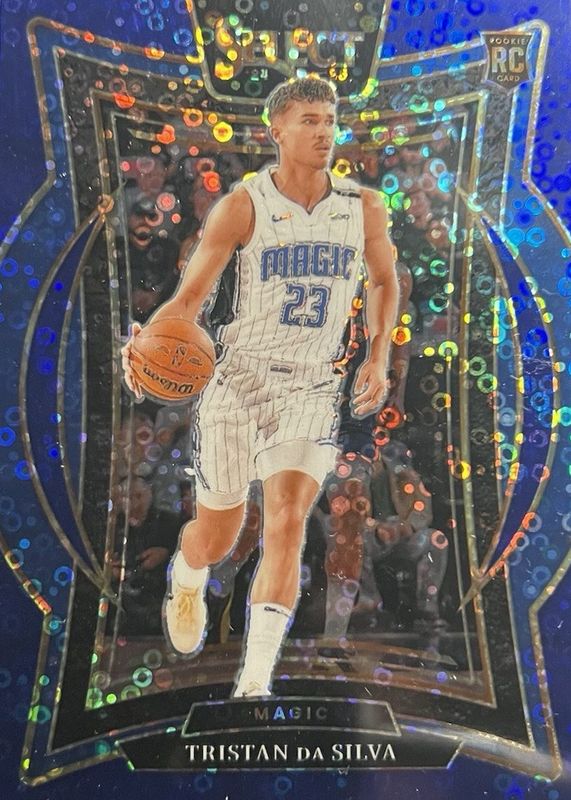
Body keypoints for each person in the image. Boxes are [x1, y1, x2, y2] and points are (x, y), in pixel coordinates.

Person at [121, 76, 399, 697]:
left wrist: (378, 356)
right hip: (239, 379)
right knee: (217, 536)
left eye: (330, 120)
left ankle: (254, 682)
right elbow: (190, 299)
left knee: (288, 521)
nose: (324, 132)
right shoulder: (244, 206)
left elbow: (384, 280)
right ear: (277, 130)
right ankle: (188, 574)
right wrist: (148, 342)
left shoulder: (363, 207)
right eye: (309, 121)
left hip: (312, 387)